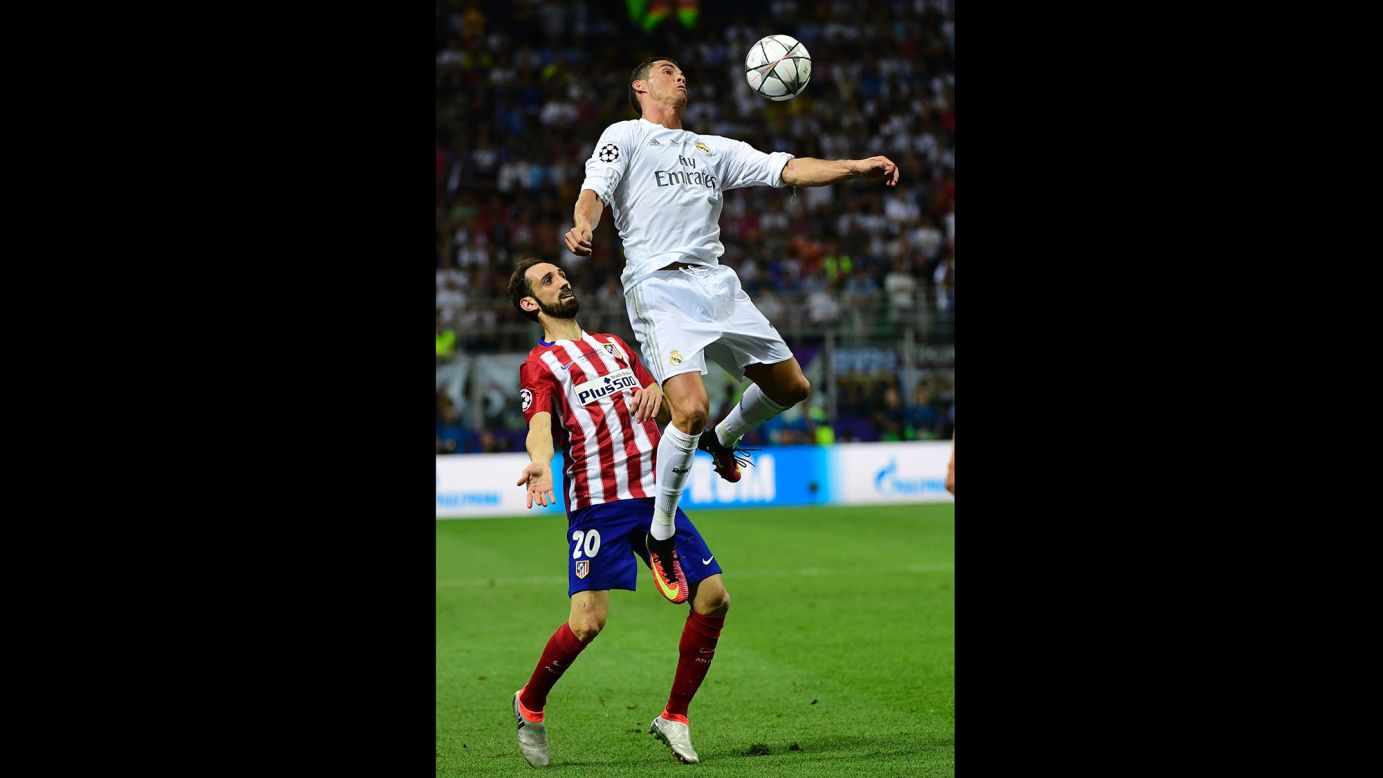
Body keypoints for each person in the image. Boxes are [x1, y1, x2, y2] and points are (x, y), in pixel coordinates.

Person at [564, 56, 900, 546]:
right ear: (639, 86)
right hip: (661, 286)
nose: (679, 76)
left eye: (682, 71)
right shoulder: (625, 135)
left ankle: (724, 437)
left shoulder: (711, 148)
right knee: (690, 409)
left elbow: (785, 169)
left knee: (792, 387)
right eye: (665, 70)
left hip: (718, 284)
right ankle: (661, 535)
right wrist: (584, 225)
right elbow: (595, 190)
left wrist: (852, 166)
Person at [507, 257, 730, 766]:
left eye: (561, 275)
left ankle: (674, 715)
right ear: (529, 303)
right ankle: (530, 702)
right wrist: (539, 463)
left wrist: (656, 386)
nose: (561, 281)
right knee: (587, 623)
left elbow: (667, 392)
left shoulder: (615, 345)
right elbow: (539, 424)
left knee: (714, 598)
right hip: (596, 503)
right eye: (547, 280)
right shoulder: (540, 365)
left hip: (655, 496)